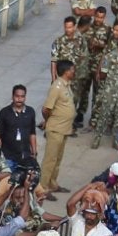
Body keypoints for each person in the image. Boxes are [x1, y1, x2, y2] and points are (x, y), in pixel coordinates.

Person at [37, 60, 76, 199]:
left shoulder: (66, 85)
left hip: (64, 129)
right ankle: (42, 187)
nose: (73, 71)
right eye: (72, 69)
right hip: (55, 129)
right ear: (66, 72)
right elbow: (46, 108)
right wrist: (48, 121)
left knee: (57, 159)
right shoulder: (57, 87)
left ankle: (52, 183)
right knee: (50, 159)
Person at [0, 84, 37, 181]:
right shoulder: (4, 113)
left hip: (25, 155)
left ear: (25, 97)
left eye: (22, 96)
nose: (19, 99)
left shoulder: (30, 112)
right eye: (17, 96)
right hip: (8, 155)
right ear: (12, 96)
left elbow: (32, 133)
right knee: (7, 182)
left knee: (25, 182)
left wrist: (34, 152)